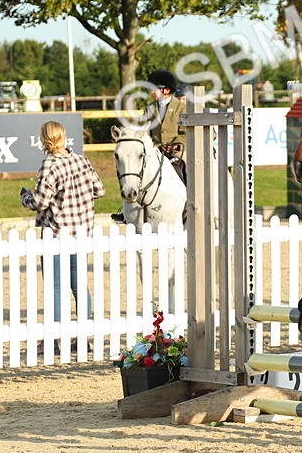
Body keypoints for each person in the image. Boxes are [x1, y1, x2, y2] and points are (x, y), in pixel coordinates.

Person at [21, 121, 105, 328]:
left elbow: (40, 202)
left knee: (56, 285)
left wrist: (25, 197)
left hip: (57, 233)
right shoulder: (81, 160)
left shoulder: (49, 165)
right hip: (82, 231)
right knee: (79, 284)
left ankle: (55, 334)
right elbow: (99, 190)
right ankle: (84, 332)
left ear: (43, 139)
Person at [112, 69, 186, 223]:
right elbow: (142, 130)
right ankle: (127, 210)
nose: (151, 92)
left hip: (178, 150)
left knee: (186, 167)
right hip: (156, 149)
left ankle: (193, 201)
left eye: (155, 89)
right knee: (136, 170)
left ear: (166, 90)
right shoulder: (149, 109)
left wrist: (175, 145)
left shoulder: (181, 107)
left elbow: (185, 132)